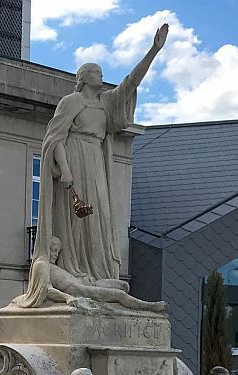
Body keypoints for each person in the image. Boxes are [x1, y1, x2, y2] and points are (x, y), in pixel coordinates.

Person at [35, 24, 169, 283]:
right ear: (83, 78)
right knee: (76, 219)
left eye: (100, 71)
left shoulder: (106, 103)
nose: (100, 74)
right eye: (95, 71)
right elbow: (56, 137)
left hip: (96, 159)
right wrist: (65, 170)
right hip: (74, 157)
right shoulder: (71, 102)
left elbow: (131, 81)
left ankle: (99, 273)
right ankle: (75, 268)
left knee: (100, 216)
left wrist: (154, 50)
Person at [15, 236, 167, 312]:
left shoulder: (55, 266)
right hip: (80, 290)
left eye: (57, 251)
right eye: (53, 250)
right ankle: (148, 307)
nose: (55, 254)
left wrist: (80, 276)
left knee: (124, 285)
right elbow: (46, 289)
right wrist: (68, 298)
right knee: (119, 295)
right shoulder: (41, 264)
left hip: (86, 283)